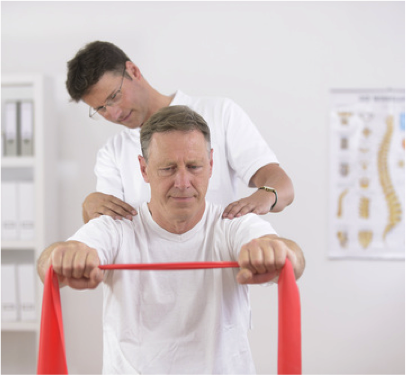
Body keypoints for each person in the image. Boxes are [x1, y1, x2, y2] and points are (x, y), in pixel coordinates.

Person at [37, 106, 305, 375]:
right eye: (167, 168)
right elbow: (48, 263)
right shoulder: (117, 227)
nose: (182, 182)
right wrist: (65, 256)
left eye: (194, 166)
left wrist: (275, 252)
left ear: (211, 165)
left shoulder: (232, 224)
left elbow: (294, 260)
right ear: (144, 169)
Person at [65, 41, 294, 223]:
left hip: (216, 276)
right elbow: (103, 225)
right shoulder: (112, 152)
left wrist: (264, 196)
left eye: (114, 97)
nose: (113, 114)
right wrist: (89, 207)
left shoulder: (220, 114)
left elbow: (281, 185)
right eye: (100, 109)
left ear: (133, 71)